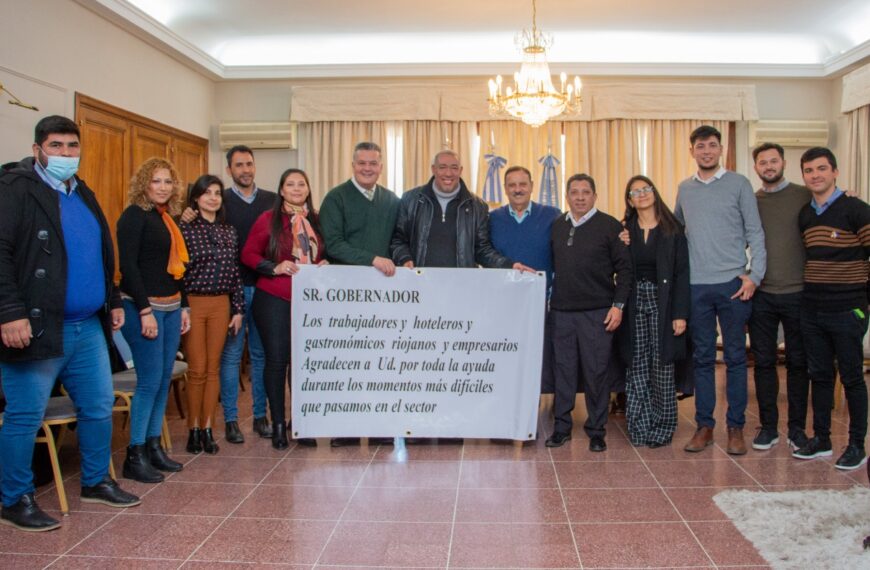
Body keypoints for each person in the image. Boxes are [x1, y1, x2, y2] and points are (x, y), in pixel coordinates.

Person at [0, 115, 140, 532]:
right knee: (25, 416)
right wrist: (9, 312)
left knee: (98, 406)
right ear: (37, 148)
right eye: (56, 146)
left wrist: (112, 299)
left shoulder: (83, 192)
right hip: (37, 327)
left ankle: (97, 481)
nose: (65, 154)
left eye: (72, 146)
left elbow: (102, 252)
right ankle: (13, 497)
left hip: (87, 326)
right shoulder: (16, 190)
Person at [678, 125, 766, 456]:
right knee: (702, 358)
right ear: (692, 151)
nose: (707, 151)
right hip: (696, 286)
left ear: (720, 149)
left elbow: (755, 233)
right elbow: (674, 232)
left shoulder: (739, 184)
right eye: (701, 146)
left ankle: (735, 427)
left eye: (712, 146)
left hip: (733, 284)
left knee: (735, 359)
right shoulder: (684, 189)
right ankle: (704, 426)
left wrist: (753, 276)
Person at [182, 145, 274, 443]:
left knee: (260, 355)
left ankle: (260, 416)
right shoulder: (220, 203)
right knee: (231, 356)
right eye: (238, 165)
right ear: (229, 169)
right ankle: (231, 420)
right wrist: (184, 215)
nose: (245, 169)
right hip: (228, 294)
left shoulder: (272, 200)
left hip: (264, 288)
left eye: (249, 164)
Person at [319, 142, 400, 447]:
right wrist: (373, 260)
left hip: (385, 294)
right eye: (362, 163)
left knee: (381, 360)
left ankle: (380, 426)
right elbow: (334, 244)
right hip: (346, 293)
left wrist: (401, 259)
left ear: (381, 166)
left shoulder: (391, 200)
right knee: (350, 361)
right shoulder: (336, 198)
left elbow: (397, 240)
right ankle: (348, 427)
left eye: (374, 163)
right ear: (353, 165)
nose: (368, 168)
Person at [792, 147, 869, 470]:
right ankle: (821, 439)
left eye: (821, 169)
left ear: (835, 172)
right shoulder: (806, 215)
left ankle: (856, 445)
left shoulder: (857, 209)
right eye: (809, 170)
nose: (815, 175)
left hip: (848, 309)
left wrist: (862, 301)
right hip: (812, 308)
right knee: (820, 375)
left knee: (852, 377)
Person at [546, 174, 633, 451]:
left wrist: (618, 306)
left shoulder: (610, 226)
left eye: (586, 192)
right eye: (574, 192)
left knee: (597, 373)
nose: (580, 197)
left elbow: (626, 270)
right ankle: (562, 428)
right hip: (561, 313)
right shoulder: (558, 225)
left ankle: (596, 430)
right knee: (564, 372)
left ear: (594, 195)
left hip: (597, 313)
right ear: (567, 196)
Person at [242, 168, 327, 450]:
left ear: (308, 189)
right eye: (290, 184)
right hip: (274, 298)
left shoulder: (315, 220)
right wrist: (274, 266)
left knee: (302, 365)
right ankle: (278, 423)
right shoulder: (268, 220)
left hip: (308, 301)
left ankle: (300, 423)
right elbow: (248, 254)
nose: (296, 188)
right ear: (281, 190)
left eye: (301, 184)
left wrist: (324, 263)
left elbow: (321, 253)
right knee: (277, 362)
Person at [117, 157, 190, 483]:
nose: (163, 187)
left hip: (172, 307)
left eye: (168, 181)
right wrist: (144, 310)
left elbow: (177, 269)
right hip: (144, 309)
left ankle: (153, 447)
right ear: (144, 184)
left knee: (163, 380)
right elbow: (129, 268)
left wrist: (184, 306)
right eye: (156, 181)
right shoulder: (134, 216)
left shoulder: (167, 219)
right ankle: (135, 455)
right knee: (148, 382)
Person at [748, 143, 811, 451]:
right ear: (756, 167)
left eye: (774, 161)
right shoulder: (752, 201)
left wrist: (848, 195)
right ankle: (769, 427)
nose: (769, 166)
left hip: (799, 292)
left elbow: (834, 208)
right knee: (763, 363)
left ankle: (796, 429)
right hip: (762, 294)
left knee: (799, 363)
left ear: (784, 163)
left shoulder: (804, 195)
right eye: (763, 162)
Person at [618, 175, 689, 448]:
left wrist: (680, 314)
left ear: (654, 193)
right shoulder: (625, 231)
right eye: (635, 192)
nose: (642, 194)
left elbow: (682, 273)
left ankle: (662, 426)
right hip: (635, 302)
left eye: (646, 189)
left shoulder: (673, 229)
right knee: (636, 366)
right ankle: (639, 426)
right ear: (629, 201)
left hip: (665, 304)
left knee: (662, 367)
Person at [179, 175, 245, 455]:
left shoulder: (229, 231)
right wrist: (182, 307)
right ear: (196, 197)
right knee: (196, 369)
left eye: (217, 193)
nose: (213, 198)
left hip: (222, 304)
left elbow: (235, 273)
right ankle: (193, 429)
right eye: (207, 193)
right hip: (193, 303)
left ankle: (208, 428)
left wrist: (238, 308)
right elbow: (177, 272)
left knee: (213, 368)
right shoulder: (183, 228)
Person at [390, 150, 531, 272]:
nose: (448, 173)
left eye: (454, 168)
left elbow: (482, 250)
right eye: (442, 167)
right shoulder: (411, 200)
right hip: (419, 283)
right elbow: (398, 240)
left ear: (461, 170)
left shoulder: (478, 206)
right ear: (433, 169)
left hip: (461, 286)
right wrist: (404, 258)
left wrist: (509, 265)